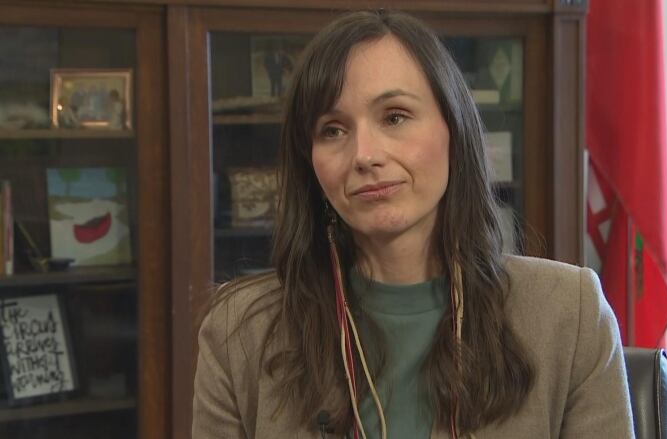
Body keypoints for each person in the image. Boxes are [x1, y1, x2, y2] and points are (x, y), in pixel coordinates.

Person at [192, 9, 634, 439]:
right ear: (311, 164)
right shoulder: (238, 334)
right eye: (333, 129)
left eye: (394, 117)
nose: (365, 154)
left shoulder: (568, 315)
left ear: (453, 130)